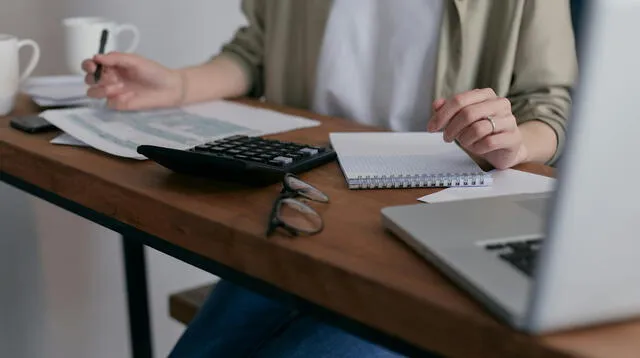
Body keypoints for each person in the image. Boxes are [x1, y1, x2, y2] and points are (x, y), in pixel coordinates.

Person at [82, 0, 577, 356]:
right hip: (306, 209)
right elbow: (253, 53)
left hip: (435, 228)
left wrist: (513, 142)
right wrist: (179, 84)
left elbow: (549, 106)